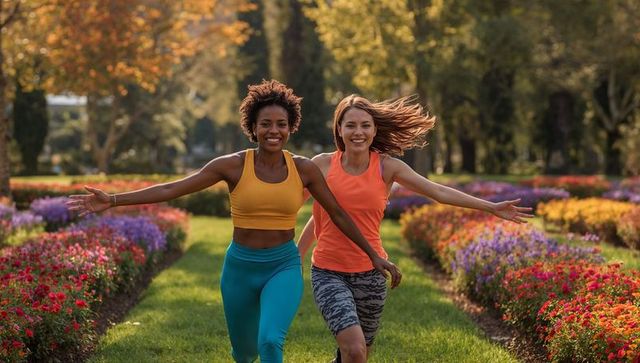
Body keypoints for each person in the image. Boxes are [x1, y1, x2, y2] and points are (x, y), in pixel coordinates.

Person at [67, 81, 401, 363]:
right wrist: (112, 200)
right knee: (245, 352)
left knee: (270, 341)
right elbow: (173, 188)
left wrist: (373, 255)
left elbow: (339, 214)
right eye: (266, 123)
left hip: (282, 266)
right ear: (252, 127)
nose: (274, 130)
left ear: (291, 127)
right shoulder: (231, 165)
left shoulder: (304, 169)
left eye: (281, 124)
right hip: (240, 267)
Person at [297, 94, 533, 363]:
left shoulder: (387, 167)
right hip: (329, 272)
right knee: (354, 349)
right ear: (339, 129)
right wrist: (296, 253)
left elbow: (437, 191)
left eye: (365, 125)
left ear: (375, 130)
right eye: (350, 125)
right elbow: (315, 213)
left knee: (358, 354)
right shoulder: (322, 165)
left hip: (372, 272)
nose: (358, 132)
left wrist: (489, 206)